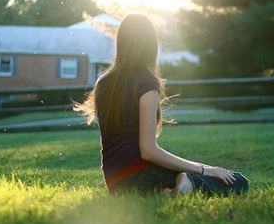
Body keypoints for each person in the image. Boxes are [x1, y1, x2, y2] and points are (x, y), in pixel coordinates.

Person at [73, 14, 249, 196]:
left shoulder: (103, 83)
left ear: (121, 42)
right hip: (143, 175)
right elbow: (149, 151)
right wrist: (203, 169)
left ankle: (169, 189)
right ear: (151, 44)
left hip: (116, 185)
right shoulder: (146, 82)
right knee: (239, 182)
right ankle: (186, 186)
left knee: (207, 175)